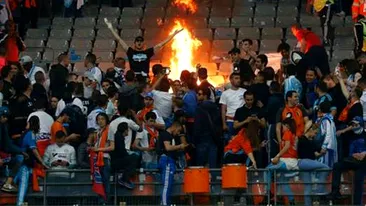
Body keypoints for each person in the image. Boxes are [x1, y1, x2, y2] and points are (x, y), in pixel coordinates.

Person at [105, 18, 183, 81]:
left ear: (144, 43)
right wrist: (111, 28)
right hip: (134, 79)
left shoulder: (148, 52)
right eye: (137, 41)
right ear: (134, 43)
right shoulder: (130, 51)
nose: (139, 43)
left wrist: (173, 34)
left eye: (141, 41)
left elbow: (162, 44)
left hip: (145, 79)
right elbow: (119, 39)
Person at [326, 116, 366, 205]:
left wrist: (364, 154)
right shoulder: (348, 135)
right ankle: (335, 191)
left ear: (361, 124)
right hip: (351, 160)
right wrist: (345, 130)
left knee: (358, 180)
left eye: (355, 124)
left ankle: (357, 203)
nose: (353, 126)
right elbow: (338, 134)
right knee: (337, 166)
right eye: (352, 124)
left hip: (363, 162)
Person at [14, 116, 48, 206]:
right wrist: (42, 162)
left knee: (18, 180)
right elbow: (34, 150)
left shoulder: (25, 133)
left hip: (20, 161)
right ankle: (20, 203)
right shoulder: (30, 134)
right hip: (23, 162)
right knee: (23, 183)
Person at [267, 118, 298, 205]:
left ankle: (269, 194)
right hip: (291, 161)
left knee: (267, 170)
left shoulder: (287, 133)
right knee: (283, 181)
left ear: (287, 126)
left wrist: (277, 156)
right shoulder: (293, 134)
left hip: (287, 161)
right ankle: (292, 202)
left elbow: (287, 146)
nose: (282, 128)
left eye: (283, 126)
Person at [297, 125, 329, 206]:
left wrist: (321, 153)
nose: (315, 135)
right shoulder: (302, 139)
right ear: (310, 130)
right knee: (326, 168)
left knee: (307, 187)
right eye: (315, 133)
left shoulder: (310, 141)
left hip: (307, 163)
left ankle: (307, 204)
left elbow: (315, 154)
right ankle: (319, 190)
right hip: (303, 162)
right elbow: (307, 153)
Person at [157, 121, 187, 206]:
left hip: (169, 161)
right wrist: (180, 146)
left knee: (168, 184)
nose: (178, 133)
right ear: (175, 127)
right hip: (166, 161)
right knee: (167, 184)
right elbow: (168, 147)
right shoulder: (166, 134)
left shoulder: (170, 136)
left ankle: (164, 202)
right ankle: (164, 203)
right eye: (178, 130)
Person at [193, 87, 220, 169]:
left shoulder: (200, 108)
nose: (197, 96)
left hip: (202, 139)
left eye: (199, 94)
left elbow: (197, 125)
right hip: (214, 138)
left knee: (200, 167)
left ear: (205, 96)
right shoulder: (215, 107)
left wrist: (194, 140)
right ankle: (213, 180)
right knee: (212, 166)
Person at [90, 112, 114, 204]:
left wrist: (98, 149)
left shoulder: (109, 130)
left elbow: (112, 147)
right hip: (97, 159)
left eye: (102, 119)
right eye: (98, 119)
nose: (100, 121)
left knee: (105, 182)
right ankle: (100, 202)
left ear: (106, 120)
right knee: (99, 182)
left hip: (105, 159)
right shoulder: (98, 132)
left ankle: (106, 202)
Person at [220, 72, 246, 142]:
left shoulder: (244, 92)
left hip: (242, 121)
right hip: (230, 121)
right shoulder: (225, 94)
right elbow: (223, 109)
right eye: (236, 78)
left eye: (239, 78)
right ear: (231, 80)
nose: (238, 80)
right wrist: (224, 124)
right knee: (230, 143)